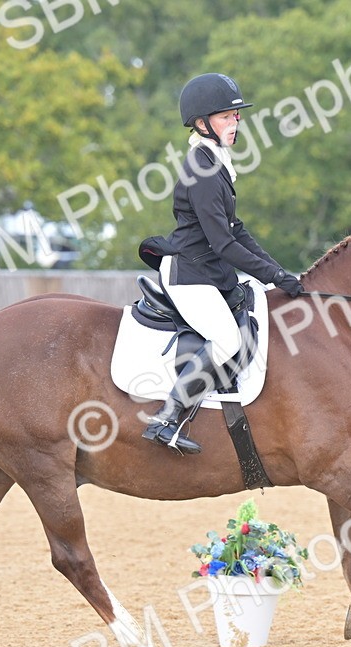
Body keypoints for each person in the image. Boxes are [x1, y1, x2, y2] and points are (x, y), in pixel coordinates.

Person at [141, 72, 304, 455]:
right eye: (226, 116)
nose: (236, 122)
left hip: (207, 271)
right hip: (191, 276)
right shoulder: (202, 170)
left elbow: (237, 230)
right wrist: (272, 275)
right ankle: (168, 416)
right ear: (202, 123)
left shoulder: (215, 161)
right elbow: (223, 243)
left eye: (237, 116)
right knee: (228, 340)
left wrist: (279, 272)